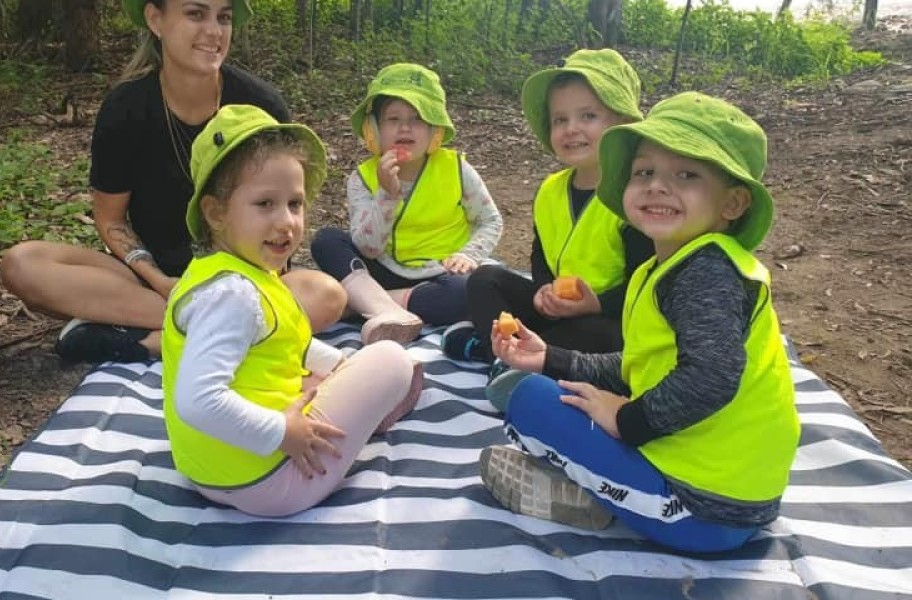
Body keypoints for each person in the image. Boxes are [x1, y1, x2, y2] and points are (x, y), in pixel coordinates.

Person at [478, 92, 799, 553]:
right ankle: (605, 487)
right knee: (546, 384)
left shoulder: (706, 274)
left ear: (733, 203)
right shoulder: (671, 265)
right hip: (725, 489)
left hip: (702, 509)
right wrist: (551, 358)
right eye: (644, 172)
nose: (656, 186)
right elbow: (642, 364)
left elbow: (710, 378)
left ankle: (600, 498)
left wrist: (626, 419)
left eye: (686, 175)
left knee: (528, 401)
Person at [0, 0, 345, 364]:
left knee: (326, 295)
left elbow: (281, 210)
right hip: (153, 281)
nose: (214, 31)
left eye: (223, 17)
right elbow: (111, 219)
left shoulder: (259, 105)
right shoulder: (126, 109)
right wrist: (162, 281)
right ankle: (209, 328)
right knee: (22, 263)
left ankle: (149, 342)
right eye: (196, 14)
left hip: (240, 282)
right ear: (155, 19)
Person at [163, 105, 424, 517]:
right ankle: (377, 406)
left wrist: (342, 367)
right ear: (215, 214)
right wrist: (283, 433)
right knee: (392, 360)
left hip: (211, 472)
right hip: (275, 480)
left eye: (295, 204)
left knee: (339, 368)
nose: (286, 221)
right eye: (265, 204)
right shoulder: (234, 295)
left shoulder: (232, 275)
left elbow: (291, 345)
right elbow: (197, 401)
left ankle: (361, 391)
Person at [440, 49, 652, 408]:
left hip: (608, 315)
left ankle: (517, 360)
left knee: (606, 335)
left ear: (621, 124)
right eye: (560, 119)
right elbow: (541, 252)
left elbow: (645, 284)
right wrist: (541, 290)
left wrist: (595, 303)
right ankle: (505, 351)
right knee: (484, 278)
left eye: (588, 115)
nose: (571, 129)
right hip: (556, 311)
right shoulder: (552, 189)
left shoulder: (634, 195)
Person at [310, 63, 503, 345]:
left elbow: (490, 220)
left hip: (443, 274)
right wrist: (387, 195)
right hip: (383, 270)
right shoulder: (362, 178)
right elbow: (368, 247)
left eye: (417, 118)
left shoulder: (457, 169)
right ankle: (381, 307)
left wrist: (469, 255)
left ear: (434, 130)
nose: (405, 128)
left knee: (478, 289)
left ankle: (359, 305)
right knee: (326, 240)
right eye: (392, 119)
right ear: (374, 129)